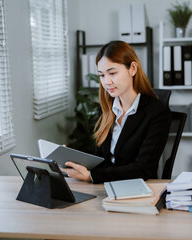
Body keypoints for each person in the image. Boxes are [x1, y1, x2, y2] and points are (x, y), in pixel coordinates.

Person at [62, 41, 171, 183]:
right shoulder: (108, 109)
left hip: (139, 189)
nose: (106, 82)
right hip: (107, 186)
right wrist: (72, 157)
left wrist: (92, 176)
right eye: (101, 75)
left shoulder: (158, 113)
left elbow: (143, 169)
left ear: (132, 68)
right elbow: (102, 158)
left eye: (112, 73)